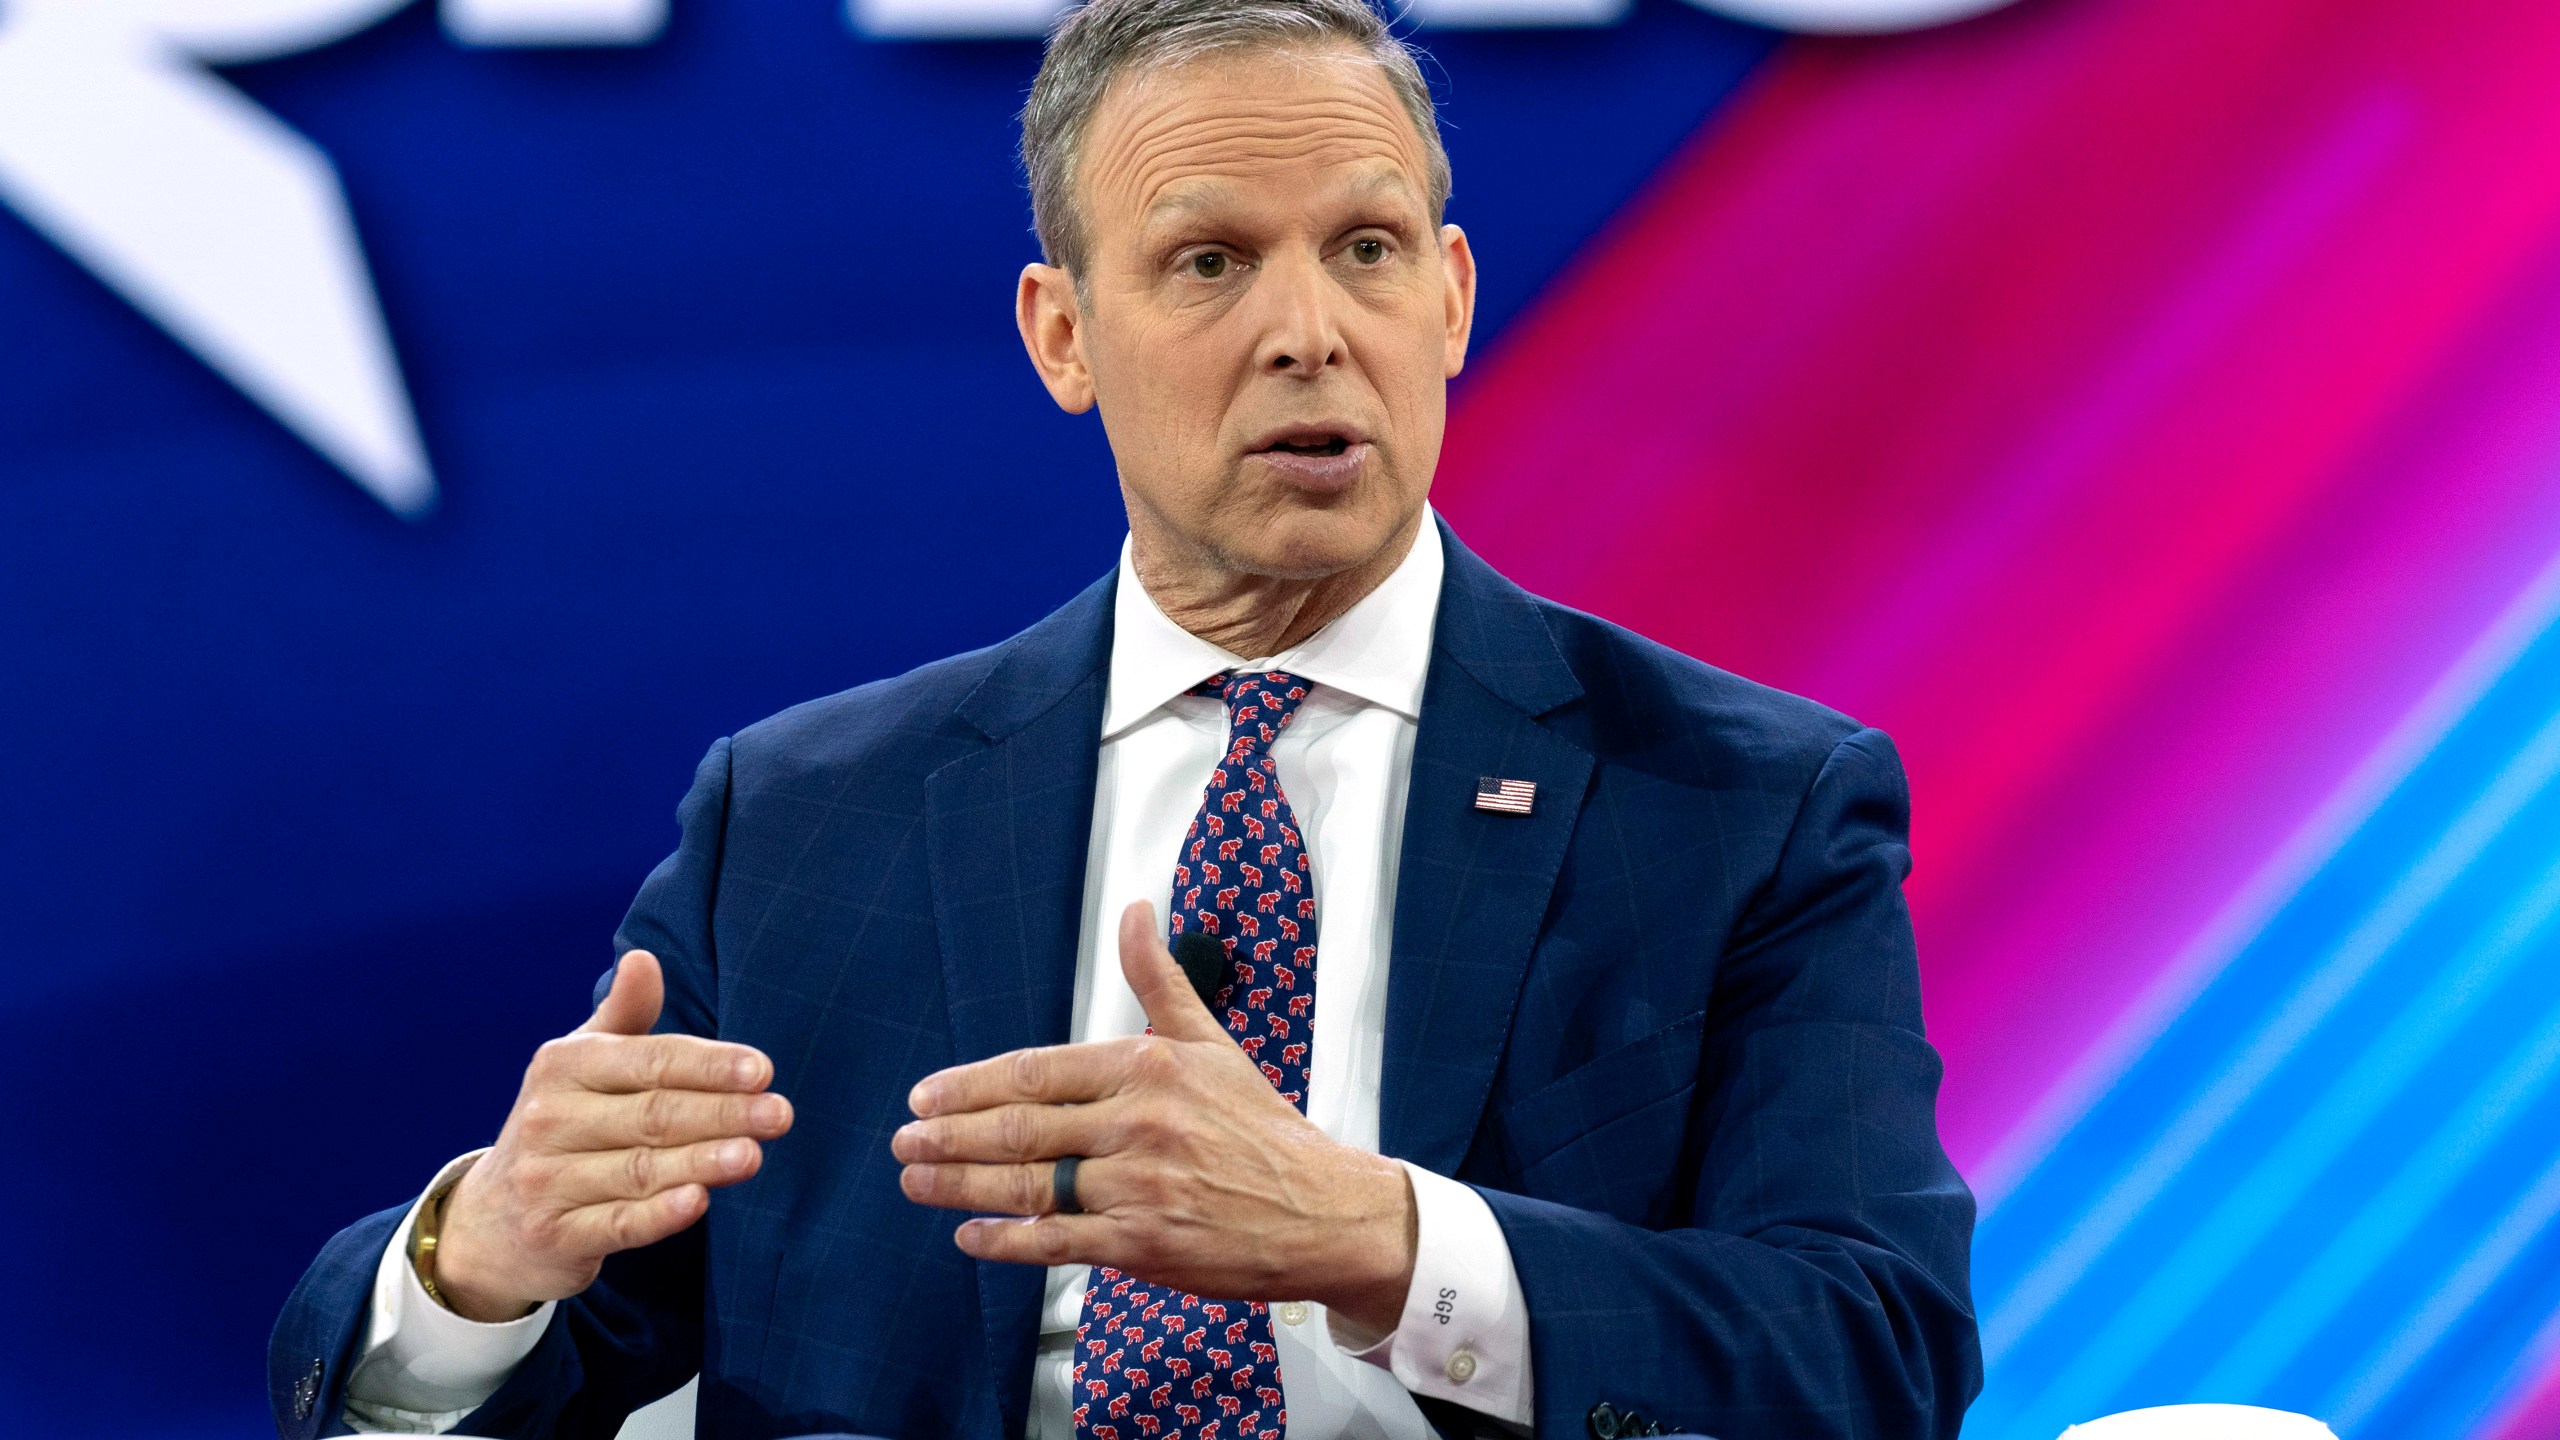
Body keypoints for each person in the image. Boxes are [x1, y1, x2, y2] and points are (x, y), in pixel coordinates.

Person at [269, 1, 1981, 1436]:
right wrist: (476, 1262)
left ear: (1449, 301)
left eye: (1366, 252)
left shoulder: (1736, 803)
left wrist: (1381, 1239)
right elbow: (568, 1358)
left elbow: (1872, 1349)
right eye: (1213, 261)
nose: (1308, 334)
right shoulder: (803, 822)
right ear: (1064, 334)